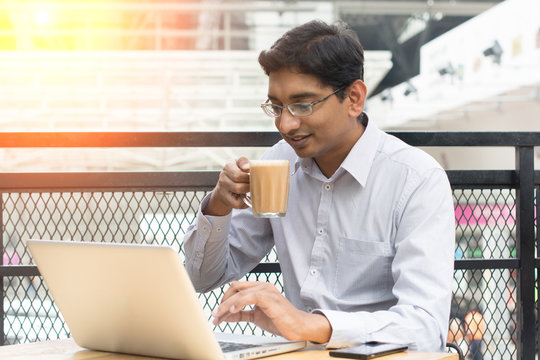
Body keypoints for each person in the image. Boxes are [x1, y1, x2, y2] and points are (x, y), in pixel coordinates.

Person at [183, 19, 455, 351]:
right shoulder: (278, 164)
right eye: (277, 107)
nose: (286, 124)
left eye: (302, 104)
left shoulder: (416, 180)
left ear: (354, 98)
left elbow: (426, 326)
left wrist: (313, 325)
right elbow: (203, 278)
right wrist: (219, 205)